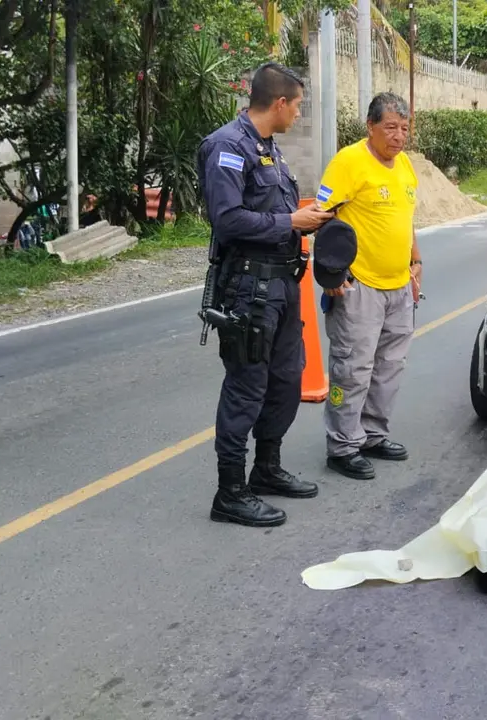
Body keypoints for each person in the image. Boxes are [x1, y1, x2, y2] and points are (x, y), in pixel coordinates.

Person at [197, 62, 334, 527]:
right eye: (296, 105)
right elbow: (228, 220)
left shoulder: (268, 148)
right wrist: (290, 222)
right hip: (248, 288)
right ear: (279, 103)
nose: (298, 113)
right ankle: (230, 492)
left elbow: (271, 210)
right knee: (246, 386)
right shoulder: (227, 147)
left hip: (281, 283)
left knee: (287, 379)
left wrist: (306, 219)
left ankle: (266, 468)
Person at [314, 92, 422, 480]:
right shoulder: (349, 162)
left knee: (389, 368)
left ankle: (373, 435)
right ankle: (343, 445)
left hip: (399, 286)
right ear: (370, 126)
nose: (398, 136)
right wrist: (331, 274)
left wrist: (416, 261)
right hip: (359, 286)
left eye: (404, 128)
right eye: (390, 127)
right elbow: (321, 216)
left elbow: (406, 219)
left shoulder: (405, 165)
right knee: (352, 368)